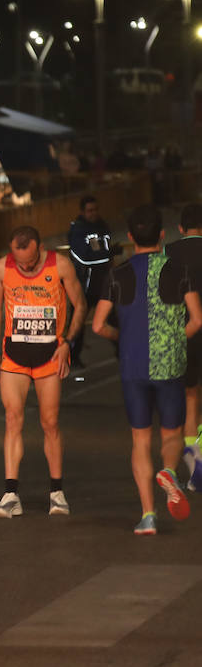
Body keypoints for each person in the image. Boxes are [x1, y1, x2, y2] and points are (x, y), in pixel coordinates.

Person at [91, 206, 200, 534]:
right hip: (170, 364)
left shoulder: (117, 274)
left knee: (140, 439)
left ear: (130, 238)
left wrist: (120, 337)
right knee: (172, 434)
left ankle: (148, 515)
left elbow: (97, 325)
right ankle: (169, 472)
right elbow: (197, 319)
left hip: (133, 365)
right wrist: (175, 341)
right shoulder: (179, 270)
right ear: (162, 235)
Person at [0, 225, 87, 518]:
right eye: (20, 262)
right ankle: (10, 494)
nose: (26, 267)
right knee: (12, 418)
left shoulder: (61, 265)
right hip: (14, 356)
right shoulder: (1, 268)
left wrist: (68, 343)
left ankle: (57, 492)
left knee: (50, 422)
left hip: (48, 357)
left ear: (39, 247)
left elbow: (80, 303)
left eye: (30, 262)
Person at [165, 203, 202, 490]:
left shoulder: (169, 254)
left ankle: (195, 463)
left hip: (184, 334)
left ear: (180, 228)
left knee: (190, 400)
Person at [67, 195, 116, 368]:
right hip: (83, 286)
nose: (93, 213)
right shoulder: (78, 229)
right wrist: (107, 255)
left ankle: (121, 350)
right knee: (77, 323)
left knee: (114, 318)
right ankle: (71, 356)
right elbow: (84, 257)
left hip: (103, 283)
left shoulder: (102, 225)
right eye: (89, 210)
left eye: (95, 209)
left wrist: (108, 255)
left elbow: (106, 249)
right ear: (82, 212)